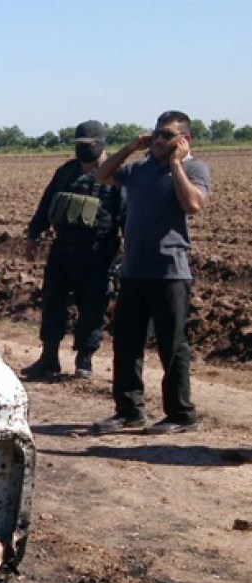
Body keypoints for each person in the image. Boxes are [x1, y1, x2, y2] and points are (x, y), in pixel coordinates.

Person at [91, 111, 212, 435]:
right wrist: (131, 146)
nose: (159, 140)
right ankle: (129, 411)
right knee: (126, 343)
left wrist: (175, 165)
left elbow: (194, 205)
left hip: (170, 272)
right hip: (134, 270)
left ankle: (181, 414)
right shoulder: (140, 168)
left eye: (168, 135)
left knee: (172, 347)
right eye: (156, 133)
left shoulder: (194, 168)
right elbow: (102, 175)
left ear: (184, 140)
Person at [20, 120, 124, 381]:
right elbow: (46, 206)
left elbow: (127, 216)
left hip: (98, 254)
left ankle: (84, 359)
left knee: (92, 308)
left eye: (88, 145)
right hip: (62, 251)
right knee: (53, 303)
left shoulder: (116, 175)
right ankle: (49, 358)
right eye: (79, 145)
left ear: (101, 145)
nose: (83, 150)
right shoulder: (66, 172)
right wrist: (33, 235)